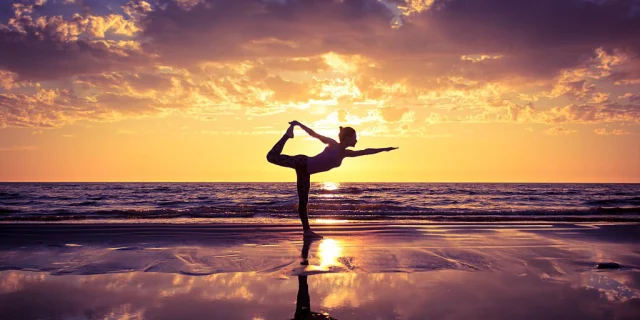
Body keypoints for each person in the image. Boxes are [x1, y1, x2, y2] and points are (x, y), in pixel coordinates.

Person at [266, 120, 398, 238]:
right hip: (302, 162)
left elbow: (366, 151)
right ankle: (287, 136)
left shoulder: (345, 153)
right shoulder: (332, 144)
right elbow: (314, 134)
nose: (356, 141)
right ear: (347, 138)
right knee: (271, 157)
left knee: (303, 202)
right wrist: (299, 125)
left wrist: (385, 149)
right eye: (355, 138)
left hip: (305, 173)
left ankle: (307, 231)